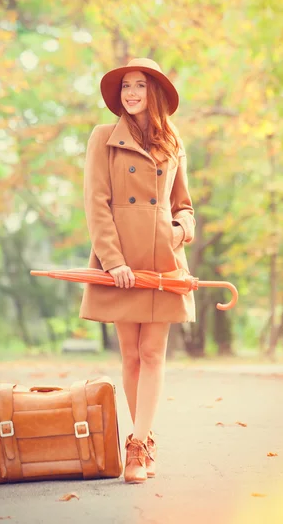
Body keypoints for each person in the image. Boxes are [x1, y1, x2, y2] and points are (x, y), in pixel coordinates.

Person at [79, 57, 196, 483]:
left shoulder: (173, 142)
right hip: (121, 262)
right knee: (130, 354)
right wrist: (114, 262)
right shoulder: (103, 138)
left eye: (139, 86)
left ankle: (137, 444)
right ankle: (143, 442)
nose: (131, 93)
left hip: (164, 261)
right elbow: (96, 204)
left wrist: (181, 230)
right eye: (126, 86)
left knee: (152, 353)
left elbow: (183, 204)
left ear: (155, 93)